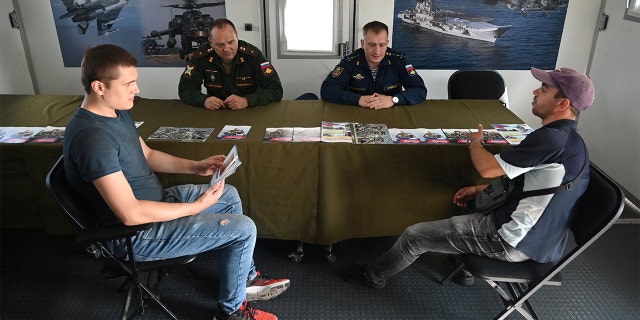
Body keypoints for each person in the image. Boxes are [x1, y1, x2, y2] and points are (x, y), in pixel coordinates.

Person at [64, 44, 289, 320]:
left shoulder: (115, 110)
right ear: (99, 87)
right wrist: (194, 208)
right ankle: (232, 312)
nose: (136, 89)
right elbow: (130, 213)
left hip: (156, 205)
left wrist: (196, 167)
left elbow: (147, 154)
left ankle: (245, 279)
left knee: (227, 194)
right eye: (129, 83)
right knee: (243, 229)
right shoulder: (92, 139)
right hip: (137, 235)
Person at [339, 67, 595, 289]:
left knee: (413, 236)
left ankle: (374, 276)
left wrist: (474, 143)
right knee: (467, 199)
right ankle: (462, 264)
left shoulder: (549, 139)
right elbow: (535, 184)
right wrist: (482, 189)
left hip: (511, 240)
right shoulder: (573, 141)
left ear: (562, 104)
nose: (535, 92)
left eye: (544, 89)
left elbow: (486, 167)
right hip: (545, 241)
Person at [178, 18, 283, 110]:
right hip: (216, 111)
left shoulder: (253, 55)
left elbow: (275, 89)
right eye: (220, 45)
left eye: (231, 42)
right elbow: (185, 88)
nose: (227, 49)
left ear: (237, 36)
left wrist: (247, 101)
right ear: (210, 42)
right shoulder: (201, 56)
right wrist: (204, 100)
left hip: (249, 110)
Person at [320, 20, 427, 109]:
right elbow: (327, 89)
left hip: (390, 113)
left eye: (382, 45)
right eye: (371, 45)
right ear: (363, 44)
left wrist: (393, 99)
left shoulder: (398, 61)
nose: (377, 51)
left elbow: (419, 90)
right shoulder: (349, 62)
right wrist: (358, 99)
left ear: (387, 43)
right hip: (356, 112)